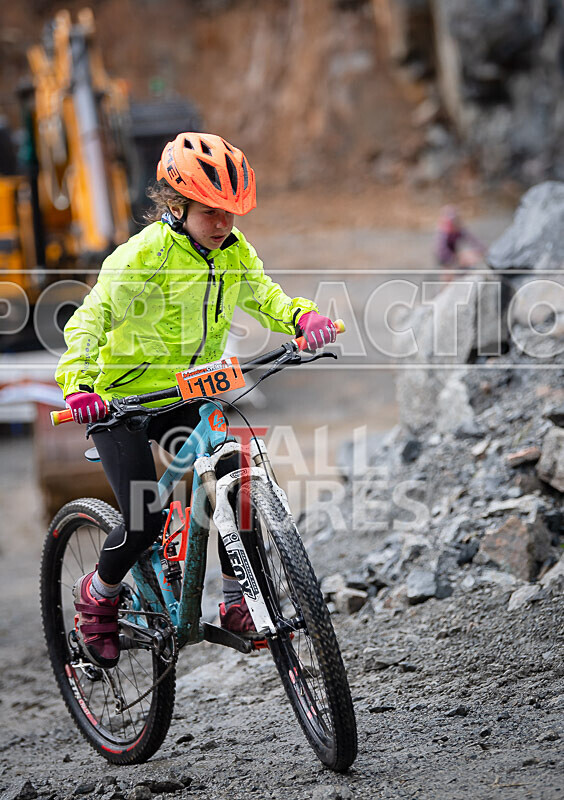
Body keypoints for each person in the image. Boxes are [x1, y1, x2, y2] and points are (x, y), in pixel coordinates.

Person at [55, 132, 336, 668]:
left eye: (232, 212)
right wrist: (80, 385)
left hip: (186, 393)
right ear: (177, 204)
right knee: (143, 520)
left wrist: (302, 318)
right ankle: (99, 594)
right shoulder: (141, 257)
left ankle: (237, 603)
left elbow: (264, 294)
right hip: (121, 402)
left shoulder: (233, 251)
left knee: (236, 474)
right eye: (212, 212)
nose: (225, 224)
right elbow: (90, 321)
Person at [434, 205, 486, 282]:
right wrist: (453, 258)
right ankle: (445, 289)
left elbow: (472, 239)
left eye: (456, 220)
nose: (454, 223)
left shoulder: (459, 230)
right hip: (442, 255)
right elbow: (441, 249)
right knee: (448, 273)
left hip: (453, 251)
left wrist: (482, 250)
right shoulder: (443, 233)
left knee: (466, 260)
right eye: (451, 221)